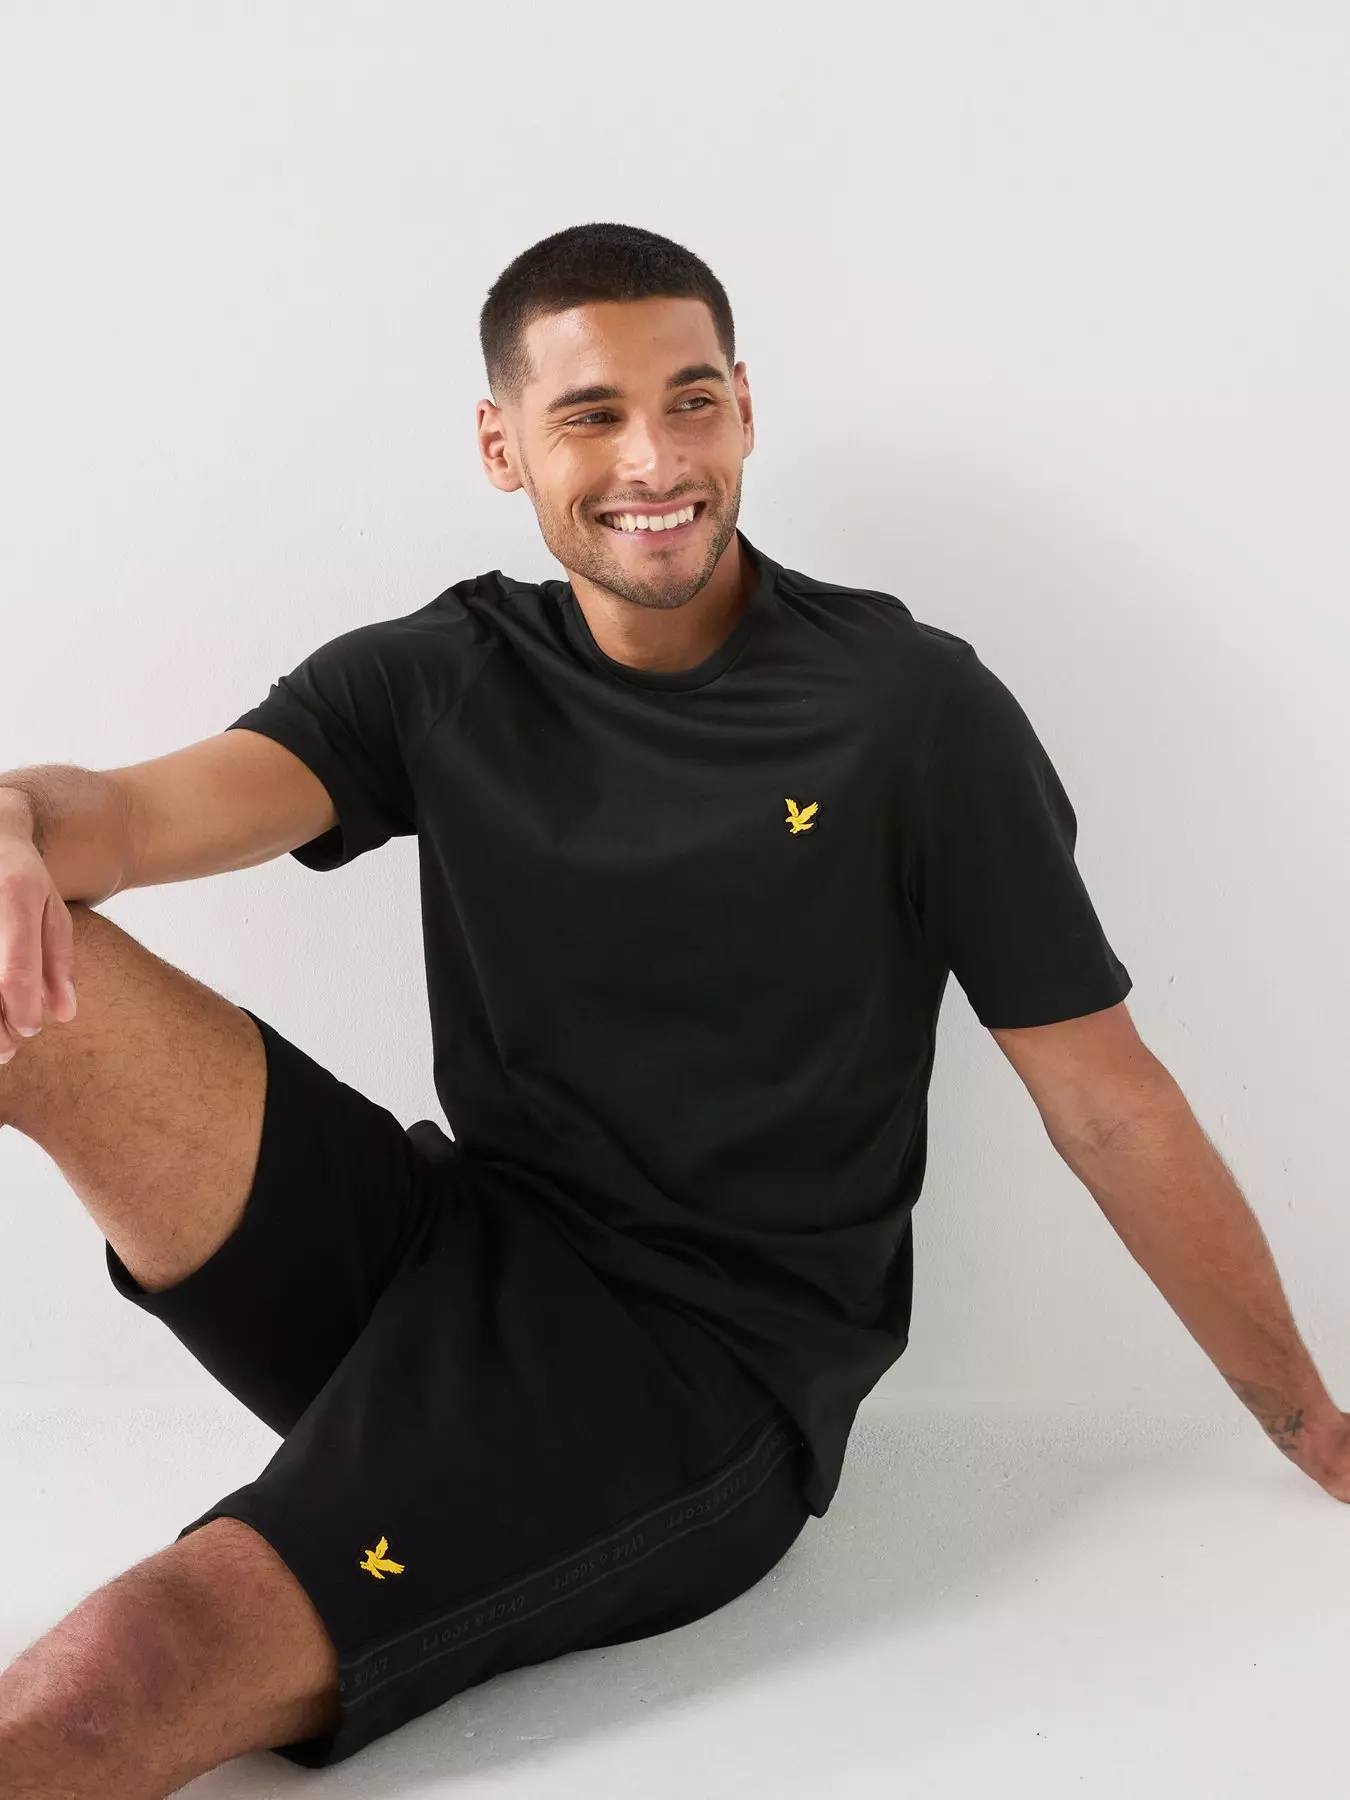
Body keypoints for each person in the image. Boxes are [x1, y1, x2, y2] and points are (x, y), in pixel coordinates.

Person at [1, 222, 1345, 1795]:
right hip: (441, 1256)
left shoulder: (908, 713)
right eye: (591, 415)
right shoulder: (437, 675)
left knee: (108, 1682)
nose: (654, 460)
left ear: (744, 410)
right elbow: (116, 820)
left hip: (693, 1375)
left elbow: (1107, 1104)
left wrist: (1303, 1415)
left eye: (690, 401)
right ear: (502, 447)